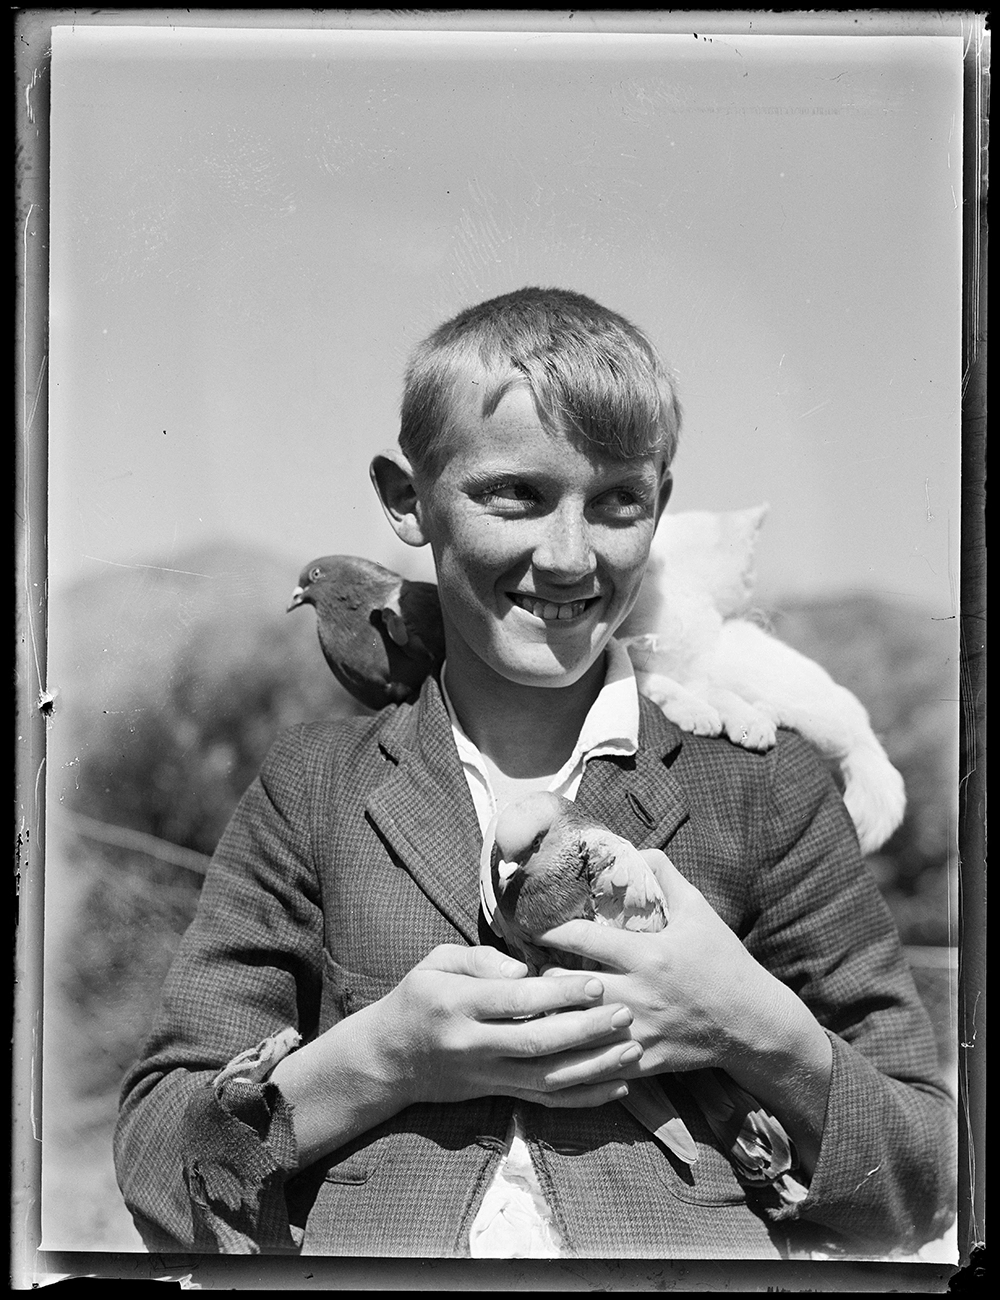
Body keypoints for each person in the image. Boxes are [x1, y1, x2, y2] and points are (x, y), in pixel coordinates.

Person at [114, 287, 954, 1260]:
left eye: (615, 502)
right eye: (513, 494)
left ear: (661, 508)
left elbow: (925, 1181)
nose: (565, 556)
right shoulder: (315, 789)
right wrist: (383, 1060)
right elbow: (154, 1163)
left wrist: (749, 1020)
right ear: (405, 500)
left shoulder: (765, 787)